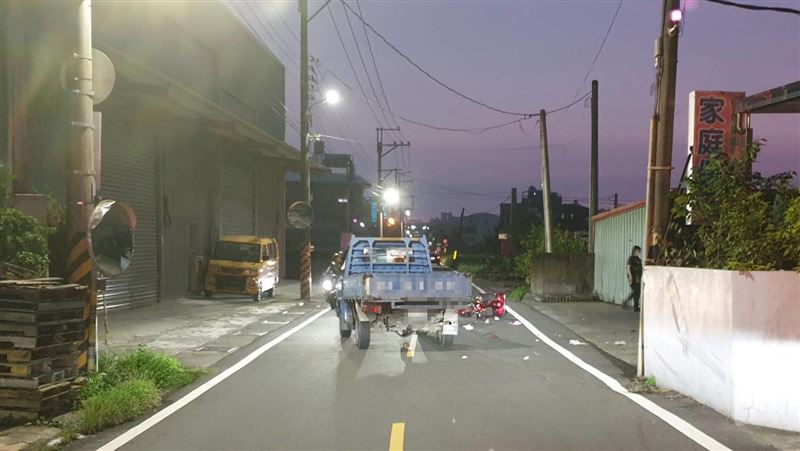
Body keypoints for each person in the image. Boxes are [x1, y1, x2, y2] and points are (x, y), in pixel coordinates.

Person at [623, 246, 642, 312]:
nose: (639, 252)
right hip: (633, 276)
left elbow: (640, 268)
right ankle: (626, 301)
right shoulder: (631, 258)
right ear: (635, 251)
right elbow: (628, 268)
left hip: (638, 277)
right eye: (638, 251)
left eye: (639, 251)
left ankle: (636, 307)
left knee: (638, 292)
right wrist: (630, 277)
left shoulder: (639, 259)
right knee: (635, 291)